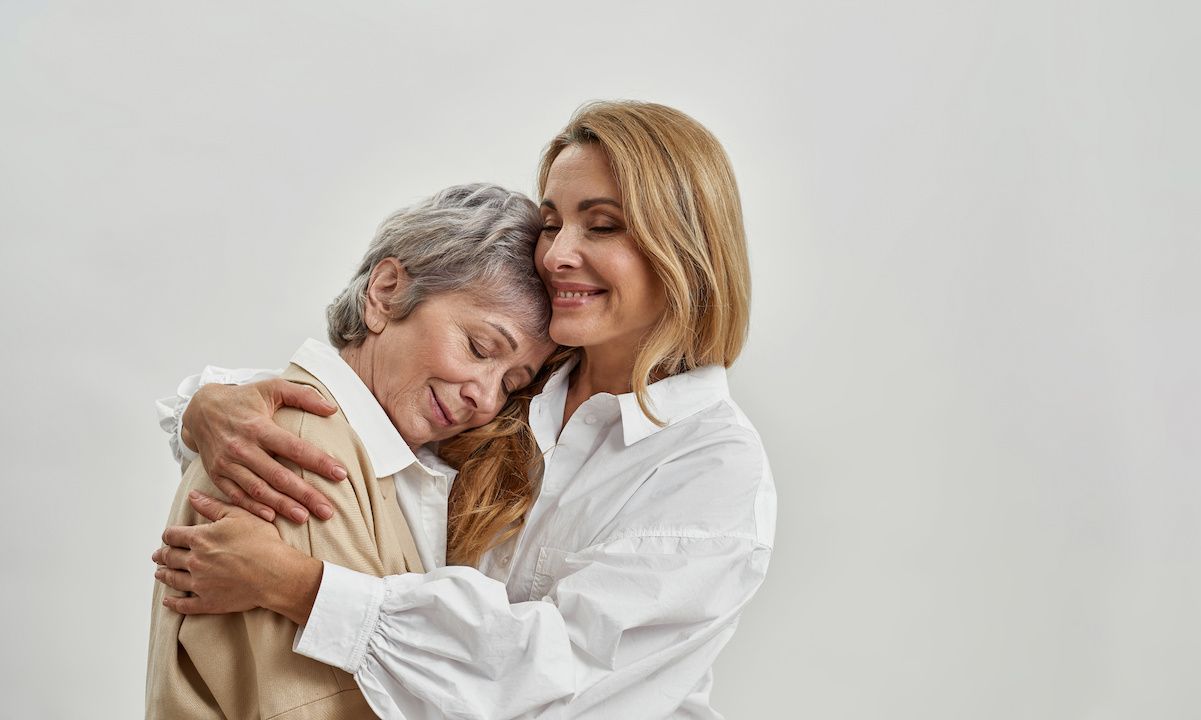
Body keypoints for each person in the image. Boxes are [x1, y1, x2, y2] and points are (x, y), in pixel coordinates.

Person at [153, 101, 776, 718]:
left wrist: (297, 586)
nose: (556, 254)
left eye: (603, 225)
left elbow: (563, 677)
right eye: (553, 222)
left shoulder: (712, 466)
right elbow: (364, 421)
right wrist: (205, 406)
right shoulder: (528, 387)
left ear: (685, 250)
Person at [147, 184, 556, 719]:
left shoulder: (386, 462)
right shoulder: (302, 452)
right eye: (480, 348)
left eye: (510, 383)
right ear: (386, 292)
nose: (484, 395)